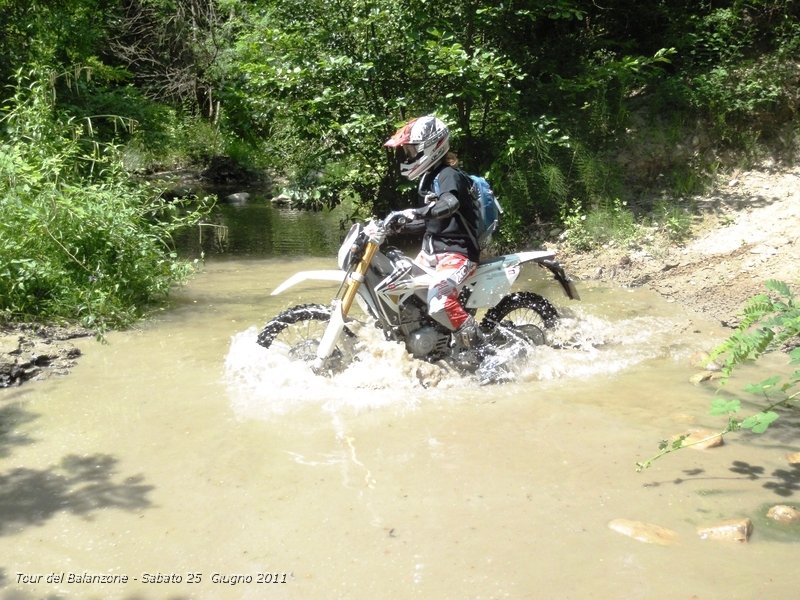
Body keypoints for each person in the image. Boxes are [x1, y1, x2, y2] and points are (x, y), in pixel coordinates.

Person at [383, 115, 484, 349]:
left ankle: (482, 350)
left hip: (458, 254)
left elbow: (450, 203)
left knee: (439, 299)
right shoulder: (428, 179)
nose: (409, 156)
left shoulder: (448, 175)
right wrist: (395, 226)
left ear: (431, 146)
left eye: (411, 150)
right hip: (432, 254)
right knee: (400, 289)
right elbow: (433, 221)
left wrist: (416, 213)